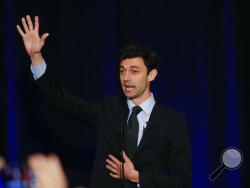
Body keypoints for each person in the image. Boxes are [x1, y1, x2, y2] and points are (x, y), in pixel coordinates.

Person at [17, 15, 192, 188]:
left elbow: (182, 182)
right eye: (122, 71)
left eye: (134, 71)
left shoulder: (173, 122)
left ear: (151, 75)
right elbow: (66, 102)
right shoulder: (109, 109)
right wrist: (36, 57)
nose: (126, 78)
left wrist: (137, 177)